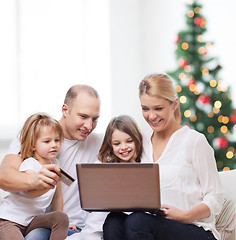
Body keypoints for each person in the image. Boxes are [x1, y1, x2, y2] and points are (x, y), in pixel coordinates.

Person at [103, 73, 224, 240]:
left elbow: (216, 197)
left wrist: (186, 215)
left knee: (137, 221)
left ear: (174, 104)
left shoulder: (194, 141)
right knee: (114, 220)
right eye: (145, 109)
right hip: (152, 226)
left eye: (158, 108)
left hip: (194, 229)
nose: (151, 116)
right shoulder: (141, 141)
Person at [0, 85, 103, 239]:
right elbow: (4, 176)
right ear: (65, 110)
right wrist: (35, 180)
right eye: (83, 116)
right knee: (35, 236)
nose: (89, 126)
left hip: (73, 227)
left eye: (94, 119)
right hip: (33, 224)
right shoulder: (36, 136)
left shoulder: (100, 142)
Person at [0, 113, 69, 240]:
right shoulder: (30, 163)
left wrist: (63, 219)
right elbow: (32, 192)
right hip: (10, 220)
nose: (54, 144)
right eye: (47, 141)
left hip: (31, 221)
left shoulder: (55, 164)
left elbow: (57, 197)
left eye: (57, 140)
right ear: (33, 145)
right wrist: (49, 183)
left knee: (61, 217)